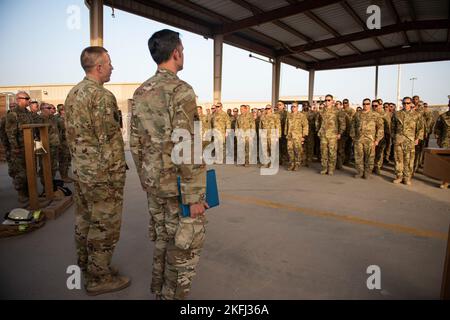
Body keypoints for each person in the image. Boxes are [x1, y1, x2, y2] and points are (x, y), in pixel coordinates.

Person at [131, 29, 208, 300]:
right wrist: (196, 196)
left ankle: (158, 290)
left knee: (164, 239)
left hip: (154, 184)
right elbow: (187, 145)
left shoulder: (141, 92)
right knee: (185, 247)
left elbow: (135, 142)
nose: (183, 54)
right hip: (178, 186)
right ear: (175, 52)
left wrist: (146, 179)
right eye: (183, 50)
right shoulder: (181, 90)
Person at [64, 46, 129, 295]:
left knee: (84, 220)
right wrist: (116, 173)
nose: (112, 67)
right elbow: (108, 139)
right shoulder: (101, 96)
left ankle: (87, 265)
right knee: (105, 225)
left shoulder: (73, 93)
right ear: (99, 66)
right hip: (103, 175)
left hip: (82, 171)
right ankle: (98, 278)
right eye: (110, 63)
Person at [5, 91, 34, 202]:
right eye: (26, 98)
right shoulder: (13, 114)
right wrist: (15, 147)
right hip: (19, 149)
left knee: (29, 171)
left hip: (29, 146)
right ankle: (22, 194)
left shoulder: (27, 113)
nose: (28, 100)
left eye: (28, 98)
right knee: (20, 173)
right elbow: (10, 132)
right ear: (19, 100)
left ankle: (29, 193)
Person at [391, 97, 423, 185]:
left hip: (410, 140)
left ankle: (407, 178)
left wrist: (417, 138)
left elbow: (420, 128)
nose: (406, 105)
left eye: (408, 103)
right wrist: (394, 137)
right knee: (398, 158)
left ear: (411, 103)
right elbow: (393, 127)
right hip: (399, 139)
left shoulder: (417, 115)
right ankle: (399, 176)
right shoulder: (397, 114)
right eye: (404, 103)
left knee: (409, 160)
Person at [350, 98, 384, 179]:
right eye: (364, 104)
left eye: (368, 104)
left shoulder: (375, 115)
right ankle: (360, 172)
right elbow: (352, 126)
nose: (366, 105)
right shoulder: (357, 114)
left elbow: (380, 128)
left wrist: (377, 140)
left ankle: (367, 173)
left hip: (370, 139)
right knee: (358, 156)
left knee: (370, 157)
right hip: (359, 139)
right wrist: (353, 137)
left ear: (370, 104)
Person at [316, 94, 345, 175]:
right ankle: (324, 168)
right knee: (324, 152)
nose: (327, 102)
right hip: (323, 135)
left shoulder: (337, 111)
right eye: (326, 100)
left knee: (332, 153)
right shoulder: (321, 111)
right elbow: (317, 122)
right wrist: (318, 131)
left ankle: (331, 169)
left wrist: (340, 133)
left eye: (329, 100)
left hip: (333, 135)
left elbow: (342, 123)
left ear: (332, 101)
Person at [285, 102, 308, 171]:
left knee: (297, 151)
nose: (293, 108)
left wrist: (303, 136)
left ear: (297, 107)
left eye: (294, 106)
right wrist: (286, 134)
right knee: (290, 151)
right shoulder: (289, 115)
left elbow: (305, 126)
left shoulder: (301, 115)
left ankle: (297, 164)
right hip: (290, 136)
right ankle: (292, 164)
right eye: (292, 106)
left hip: (298, 136)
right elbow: (286, 125)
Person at [433, 99, 450, 189]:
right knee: (445, 162)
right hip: (446, 142)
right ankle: (446, 181)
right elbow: (437, 129)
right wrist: (438, 139)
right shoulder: (443, 116)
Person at [55, 104, 73, 182]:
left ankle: (66, 175)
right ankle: (63, 176)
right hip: (62, 142)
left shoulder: (68, 118)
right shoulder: (58, 119)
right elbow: (58, 131)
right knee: (63, 159)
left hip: (68, 141)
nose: (64, 111)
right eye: (62, 110)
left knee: (68, 159)